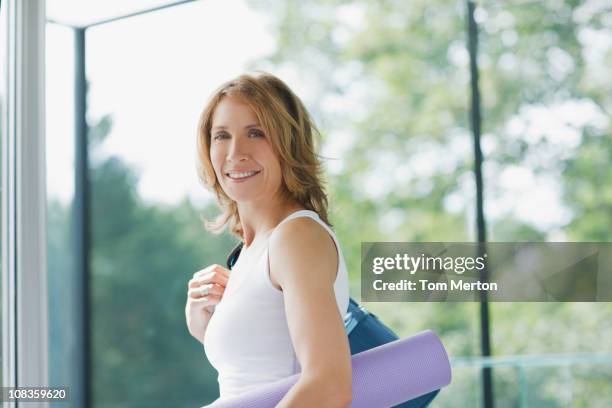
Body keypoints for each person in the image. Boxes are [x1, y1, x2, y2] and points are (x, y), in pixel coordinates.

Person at [185, 72, 352, 407]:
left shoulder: (296, 236)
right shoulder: (251, 250)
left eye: (256, 133)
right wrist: (202, 324)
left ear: (288, 143)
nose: (236, 152)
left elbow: (329, 385)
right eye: (222, 136)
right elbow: (259, 369)